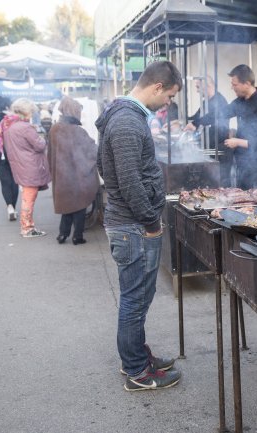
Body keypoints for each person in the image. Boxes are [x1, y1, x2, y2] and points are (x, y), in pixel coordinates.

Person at [95, 60, 183, 391]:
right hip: (133, 227)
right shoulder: (128, 123)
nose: (169, 103)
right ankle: (137, 371)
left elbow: (103, 166)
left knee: (138, 298)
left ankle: (137, 357)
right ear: (157, 87)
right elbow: (129, 180)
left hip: (128, 223)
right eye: (170, 95)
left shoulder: (120, 116)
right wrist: (150, 221)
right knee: (134, 300)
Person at [205, 64, 257, 189]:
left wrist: (238, 142)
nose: (232, 87)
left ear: (247, 83)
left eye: (235, 84)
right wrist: (195, 123)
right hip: (243, 166)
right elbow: (220, 114)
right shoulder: (240, 102)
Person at [48, 96, 100, 245]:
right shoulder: (77, 131)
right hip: (77, 175)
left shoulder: (54, 128)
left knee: (67, 205)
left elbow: (50, 152)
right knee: (79, 206)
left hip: (61, 174)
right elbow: (91, 150)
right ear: (73, 111)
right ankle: (77, 236)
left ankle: (62, 234)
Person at [0, 98, 51, 238]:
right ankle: (27, 228)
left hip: (19, 164)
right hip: (30, 165)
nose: (32, 114)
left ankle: (27, 226)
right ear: (26, 112)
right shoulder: (25, 127)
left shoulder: (9, 125)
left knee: (27, 196)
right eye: (31, 112)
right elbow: (39, 145)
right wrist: (42, 139)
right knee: (29, 197)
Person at [184, 76, 230, 184]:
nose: (197, 91)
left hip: (220, 150)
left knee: (221, 185)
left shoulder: (220, 101)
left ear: (207, 86)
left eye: (198, 87)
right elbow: (196, 117)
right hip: (209, 149)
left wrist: (195, 124)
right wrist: (179, 120)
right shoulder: (206, 102)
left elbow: (212, 116)